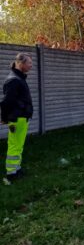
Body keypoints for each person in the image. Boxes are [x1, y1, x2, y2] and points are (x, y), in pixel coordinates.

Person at [1, 52, 33, 183]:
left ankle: (17, 169)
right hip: (16, 119)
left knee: (19, 145)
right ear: (20, 63)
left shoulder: (19, 78)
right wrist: (4, 118)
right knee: (14, 145)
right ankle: (11, 173)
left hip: (22, 118)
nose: (31, 65)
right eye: (29, 63)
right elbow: (6, 102)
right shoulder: (13, 80)